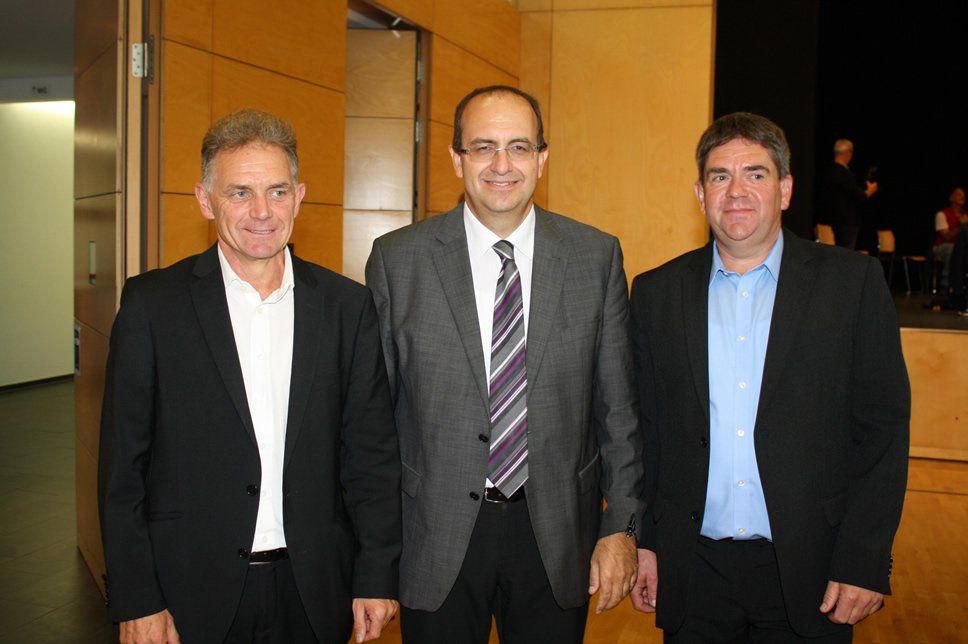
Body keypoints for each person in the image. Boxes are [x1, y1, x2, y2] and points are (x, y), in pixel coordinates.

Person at [98, 109, 401, 643]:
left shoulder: (347, 307)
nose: (262, 212)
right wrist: (137, 596)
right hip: (189, 591)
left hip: (314, 591)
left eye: (277, 192)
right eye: (239, 193)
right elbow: (122, 468)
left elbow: (370, 456)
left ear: (299, 197)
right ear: (204, 200)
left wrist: (376, 576)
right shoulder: (152, 306)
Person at [365, 85, 644, 643]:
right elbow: (372, 425)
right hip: (434, 534)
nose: (501, 164)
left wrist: (623, 526)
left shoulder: (595, 257)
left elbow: (618, 412)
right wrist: (373, 556)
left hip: (557, 535)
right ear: (457, 159)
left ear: (542, 158)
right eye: (483, 147)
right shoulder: (397, 260)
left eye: (519, 147)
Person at [630, 112, 910, 642]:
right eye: (720, 176)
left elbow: (883, 432)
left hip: (813, 571)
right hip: (693, 573)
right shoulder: (655, 294)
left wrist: (864, 558)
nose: (736, 191)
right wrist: (644, 541)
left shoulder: (852, 285)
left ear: (785, 190)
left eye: (755, 174)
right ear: (700, 193)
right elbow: (646, 433)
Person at [817, 138, 878, 249]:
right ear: (847, 153)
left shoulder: (827, 171)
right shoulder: (843, 173)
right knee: (846, 252)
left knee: (832, 252)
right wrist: (870, 191)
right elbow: (858, 195)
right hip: (846, 223)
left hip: (829, 220)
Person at [933, 186, 966, 288]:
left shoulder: (965, 215)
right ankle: (946, 283)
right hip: (942, 247)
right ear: (951, 197)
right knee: (953, 249)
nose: (962, 197)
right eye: (959, 194)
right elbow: (946, 237)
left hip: (961, 247)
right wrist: (961, 226)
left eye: (963, 195)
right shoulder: (942, 214)